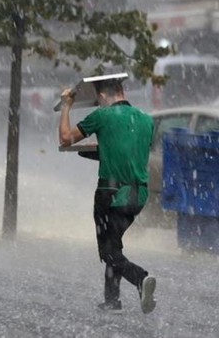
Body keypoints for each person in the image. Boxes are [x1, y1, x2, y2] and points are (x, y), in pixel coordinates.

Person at [58, 78, 157, 314]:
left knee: (108, 251)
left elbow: (65, 138)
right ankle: (112, 300)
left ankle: (140, 278)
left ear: (102, 97)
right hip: (138, 195)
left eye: (98, 101)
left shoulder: (102, 116)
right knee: (114, 244)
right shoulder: (146, 120)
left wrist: (66, 106)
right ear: (122, 91)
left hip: (110, 194)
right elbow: (130, 153)